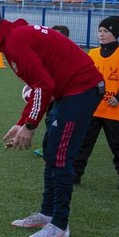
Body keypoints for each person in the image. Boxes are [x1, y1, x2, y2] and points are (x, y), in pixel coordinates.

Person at [0, 2, 104, 237]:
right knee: (51, 151)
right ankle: (47, 214)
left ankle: (60, 224)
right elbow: (39, 86)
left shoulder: (15, 40)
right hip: (68, 92)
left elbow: (44, 85)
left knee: (60, 156)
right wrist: (22, 122)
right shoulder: (12, 39)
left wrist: (30, 126)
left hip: (82, 89)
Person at [73, 16, 119, 190]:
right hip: (93, 109)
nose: (101, 34)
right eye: (100, 31)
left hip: (114, 110)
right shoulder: (93, 53)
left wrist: (118, 97)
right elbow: (85, 78)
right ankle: (76, 174)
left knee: (118, 146)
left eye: (106, 31)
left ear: (115, 34)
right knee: (83, 144)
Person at [33, 25, 71, 158]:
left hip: (64, 97)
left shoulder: (69, 55)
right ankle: (51, 147)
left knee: (56, 122)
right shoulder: (49, 53)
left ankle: (50, 149)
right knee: (50, 120)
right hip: (51, 95)